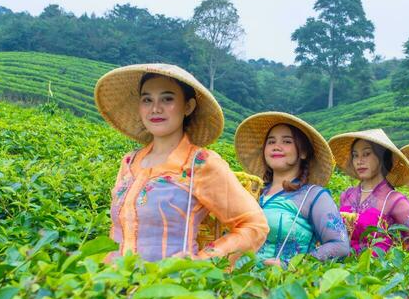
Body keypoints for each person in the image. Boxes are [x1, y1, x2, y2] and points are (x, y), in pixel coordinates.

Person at [94, 63, 269, 262]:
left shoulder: (200, 163)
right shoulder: (129, 161)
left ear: (188, 106)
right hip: (113, 283)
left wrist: (201, 263)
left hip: (169, 287)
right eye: (147, 99)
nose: (155, 108)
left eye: (167, 99)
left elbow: (254, 225)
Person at [234, 112, 350, 266]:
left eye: (287, 141)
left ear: (303, 152)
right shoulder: (254, 192)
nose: (276, 147)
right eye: (271, 142)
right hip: (238, 282)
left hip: (283, 284)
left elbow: (340, 246)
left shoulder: (314, 195)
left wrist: (291, 265)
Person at [328, 128, 409, 254]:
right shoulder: (347, 195)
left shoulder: (395, 200)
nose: (359, 161)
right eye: (355, 155)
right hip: (343, 268)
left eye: (366, 154)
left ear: (381, 158)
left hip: (377, 271)